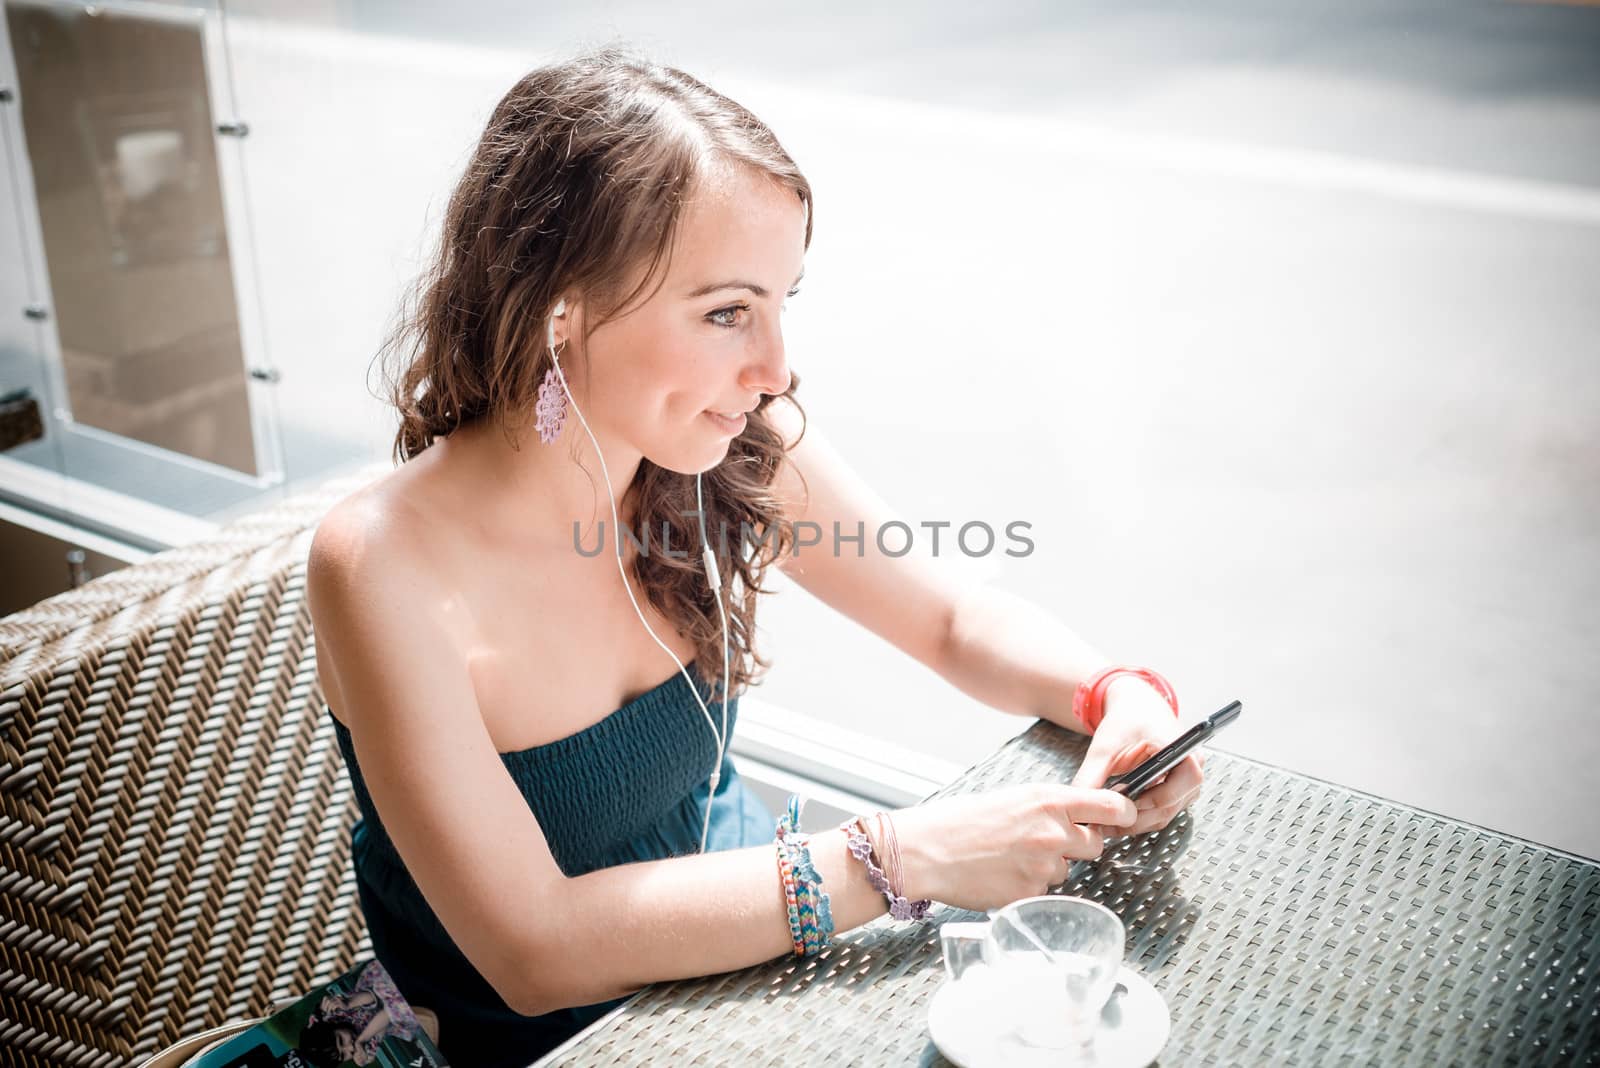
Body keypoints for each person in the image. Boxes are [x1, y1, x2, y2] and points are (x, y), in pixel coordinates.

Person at [306, 44, 1204, 1068]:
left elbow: (949, 617)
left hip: (761, 967)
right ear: (563, 312)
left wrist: (1113, 695)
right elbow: (530, 948)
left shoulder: (725, 439)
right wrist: (904, 854)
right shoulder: (381, 565)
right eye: (726, 312)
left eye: (783, 303)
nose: (775, 367)